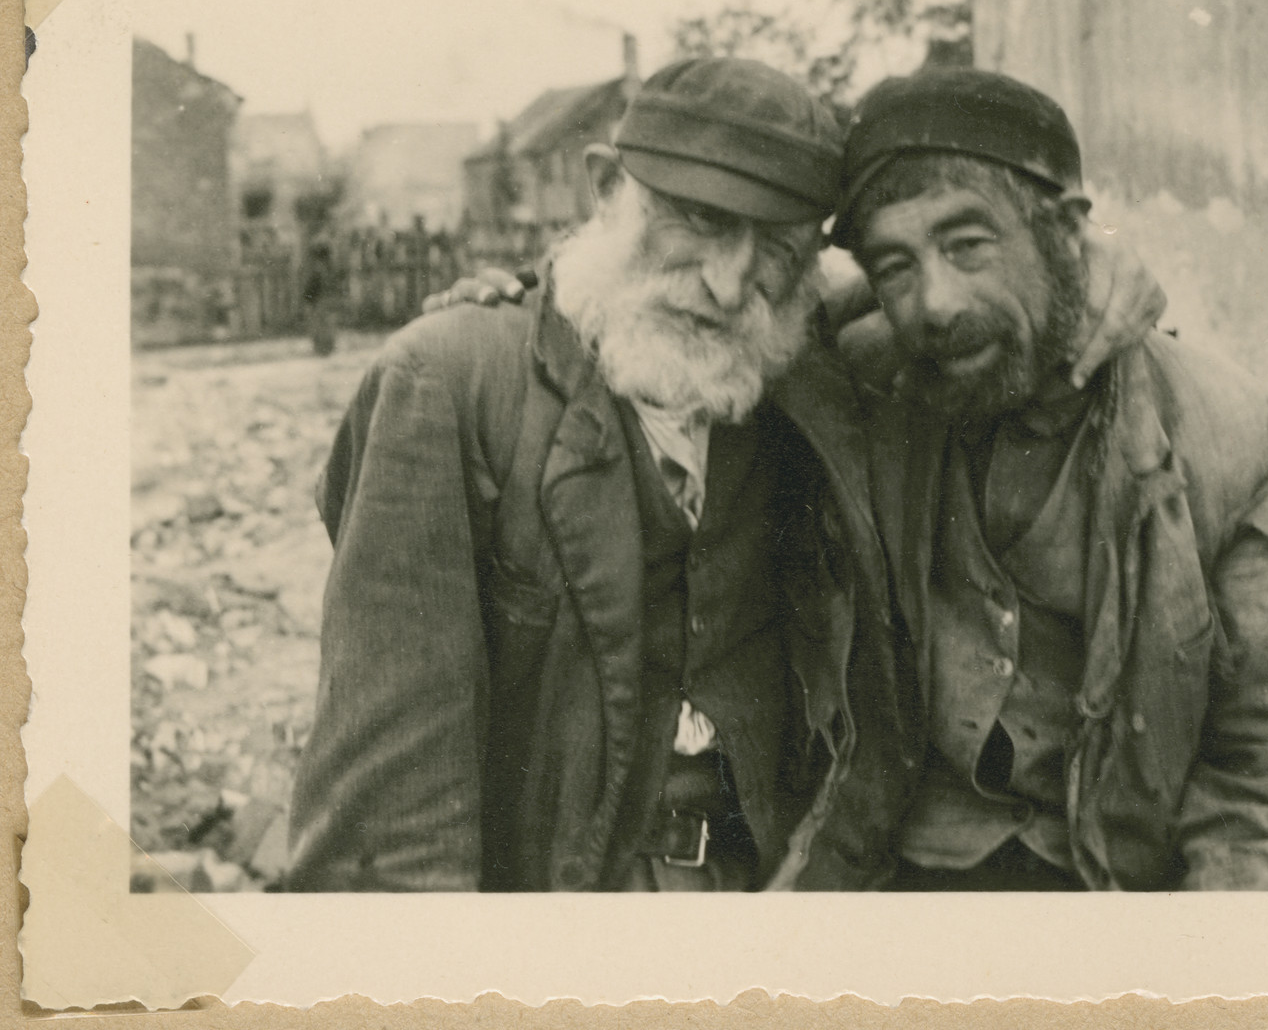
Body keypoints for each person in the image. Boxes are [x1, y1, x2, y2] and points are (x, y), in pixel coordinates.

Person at [290, 57, 1160, 892]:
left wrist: (1097, 256)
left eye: (777, 248)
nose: (726, 282)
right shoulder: (450, 384)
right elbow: (386, 836)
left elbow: (967, 298)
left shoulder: (789, 361)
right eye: (699, 221)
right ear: (604, 191)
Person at [823, 68, 1268, 890]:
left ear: (1066, 233)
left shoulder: (1222, 433)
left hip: (1119, 883)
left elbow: (1264, 773)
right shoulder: (858, 400)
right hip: (895, 874)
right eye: (896, 266)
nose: (933, 303)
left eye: (969, 245)